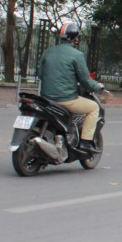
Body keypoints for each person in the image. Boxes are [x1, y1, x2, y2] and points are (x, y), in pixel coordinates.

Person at [37, 22, 104, 153]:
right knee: (93, 108)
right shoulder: (77, 55)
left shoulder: (48, 52)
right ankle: (85, 142)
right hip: (66, 100)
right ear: (75, 38)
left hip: (46, 99)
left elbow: (40, 74)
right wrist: (98, 87)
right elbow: (85, 81)